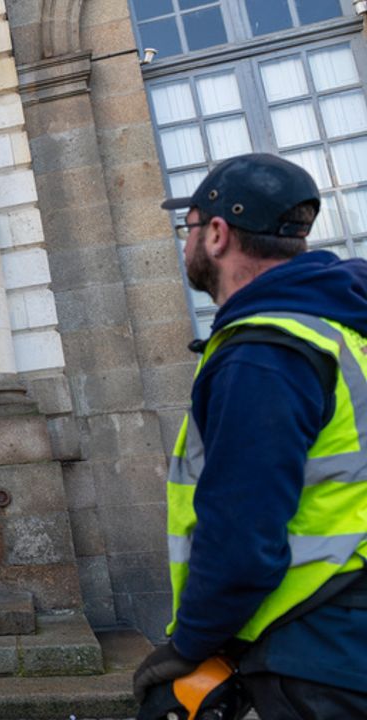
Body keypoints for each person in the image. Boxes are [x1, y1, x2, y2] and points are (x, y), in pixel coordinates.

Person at [133, 153, 367, 717]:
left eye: (187, 228)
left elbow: (243, 533)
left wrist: (189, 644)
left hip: (318, 648)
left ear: (217, 234)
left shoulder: (263, 350)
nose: (184, 244)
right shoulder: (339, 327)